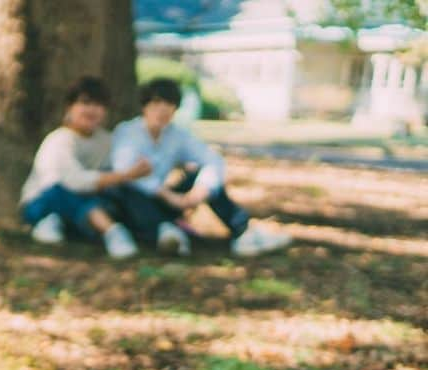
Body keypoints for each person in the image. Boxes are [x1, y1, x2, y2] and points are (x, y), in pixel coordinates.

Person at [109, 78, 292, 257]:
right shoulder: (127, 132)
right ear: (144, 106)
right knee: (129, 190)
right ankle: (165, 232)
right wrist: (167, 195)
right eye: (156, 103)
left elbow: (212, 160)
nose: (162, 110)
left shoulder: (177, 135)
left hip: (166, 201)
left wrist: (200, 190)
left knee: (201, 176)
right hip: (134, 205)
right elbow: (123, 171)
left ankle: (242, 232)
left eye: (169, 104)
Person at [19, 76, 153, 259]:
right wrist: (126, 175)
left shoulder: (106, 141)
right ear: (70, 107)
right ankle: (112, 232)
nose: (92, 110)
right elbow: (74, 182)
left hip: (87, 204)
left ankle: (158, 229)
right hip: (44, 202)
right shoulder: (59, 140)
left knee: (118, 195)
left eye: (98, 105)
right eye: (85, 103)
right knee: (66, 191)